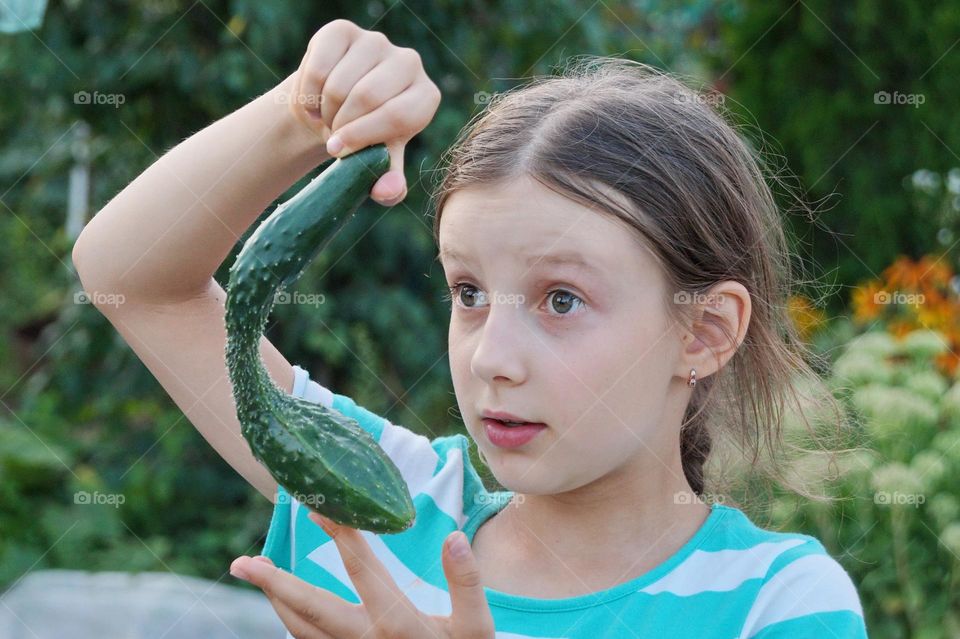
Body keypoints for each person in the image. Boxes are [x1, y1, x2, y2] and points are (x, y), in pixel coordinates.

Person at [73, 17, 869, 639]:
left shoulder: (776, 600)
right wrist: (304, 116)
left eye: (562, 299)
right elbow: (131, 278)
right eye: (469, 291)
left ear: (703, 332)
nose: (492, 357)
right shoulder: (383, 500)